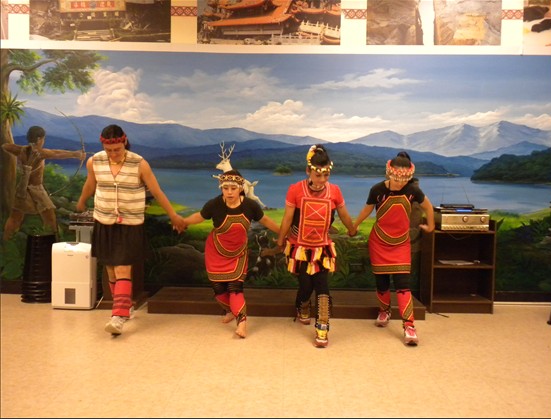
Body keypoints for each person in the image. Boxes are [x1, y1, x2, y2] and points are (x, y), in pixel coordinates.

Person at [76, 124, 185, 336]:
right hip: (104, 220)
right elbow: (91, 184)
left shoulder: (139, 163)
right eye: (109, 150)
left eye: (117, 149)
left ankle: (118, 316)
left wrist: (173, 215)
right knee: (110, 269)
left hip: (129, 223)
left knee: (122, 269)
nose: (113, 154)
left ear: (124, 142)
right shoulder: (94, 161)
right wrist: (82, 200)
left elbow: (156, 191)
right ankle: (125, 307)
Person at [182, 169, 280, 339]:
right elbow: (200, 216)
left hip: (238, 253)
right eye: (225, 188)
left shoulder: (250, 205)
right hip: (216, 251)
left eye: (233, 188)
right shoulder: (214, 204)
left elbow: (265, 220)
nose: (229, 192)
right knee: (219, 290)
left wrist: (282, 233)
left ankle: (242, 323)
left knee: (235, 288)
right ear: (221, 188)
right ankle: (230, 311)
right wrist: (183, 221)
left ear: (240, 188)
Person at [277, 144, 356, 348]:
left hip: (322, 247)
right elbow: (287, 218)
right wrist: (280, 239)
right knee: (305, 285)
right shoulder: (295, 189)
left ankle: (322, 328)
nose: (321, 180)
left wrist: (351, 228)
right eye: (318, 175)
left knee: (322, 286)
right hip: (300, 247)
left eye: (326, 175)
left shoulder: (335, 191)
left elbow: (344, 214)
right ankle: (303, 304)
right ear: (308, 171)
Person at [352, 152, 435, 346]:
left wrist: (430, 225)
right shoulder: (377, 190)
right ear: (389, 174)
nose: (400, 183)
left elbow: (428, 207)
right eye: (397, 180)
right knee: (381, 282)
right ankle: (384, 311)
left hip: (401, 243)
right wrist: (354, 226)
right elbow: (367, 209)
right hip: (379, 242)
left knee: (402, 284)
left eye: (404, 180)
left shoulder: (412, 190)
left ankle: (409, 326)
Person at [2, 126, 86, 241]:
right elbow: (56, 153)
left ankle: (6, 240)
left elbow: (5, 146)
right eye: (43, 139)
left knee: (15, 217)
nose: (43, 141)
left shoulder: (20, 150)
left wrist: (16, 148)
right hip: (36, 190)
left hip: (22, 188)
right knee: (49, 217)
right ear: (39, 139)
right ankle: (53, 241)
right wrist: (75, 154)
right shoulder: (40, 153)